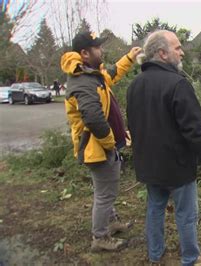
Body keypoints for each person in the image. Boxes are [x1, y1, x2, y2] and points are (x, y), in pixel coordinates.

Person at [127, 30, 201, 265]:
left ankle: (155, 255)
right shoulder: (178, 84)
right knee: (186, 214)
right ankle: (190, 257)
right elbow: (194, 129)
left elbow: (134, 126)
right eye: (177, 48)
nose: (182, 51)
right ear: (162, 53)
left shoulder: (135, 85)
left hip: (149, 166)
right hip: (178, 167)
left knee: (155, 209)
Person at [60, 31, 142, 252]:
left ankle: (111, 222)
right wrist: (110, 143)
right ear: (85, 53)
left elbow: (112, 74)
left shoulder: (91, 74)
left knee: (107, 190)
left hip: (104, 147)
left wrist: (130, 57)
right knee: (105, 194)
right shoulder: (82, 81)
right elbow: (94, 119)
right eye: (97, 48)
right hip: (97, 149)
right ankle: (100, 237)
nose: (101, 50)